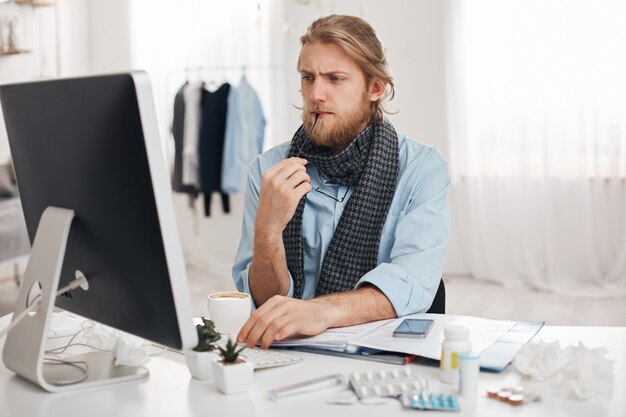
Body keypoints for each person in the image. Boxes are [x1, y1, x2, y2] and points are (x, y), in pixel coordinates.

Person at [232, 15, 450, 349]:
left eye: (335, 79)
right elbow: (265, 301)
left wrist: (319, 311)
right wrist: (268, 231)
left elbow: (414, 282)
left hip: (380, 351)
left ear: (374, 88)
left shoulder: (422, 169)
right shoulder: (269, 170)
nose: (316, 94)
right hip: (285, 350)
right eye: (308, 78)